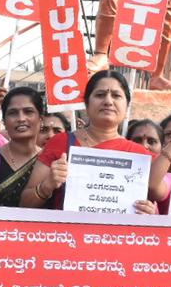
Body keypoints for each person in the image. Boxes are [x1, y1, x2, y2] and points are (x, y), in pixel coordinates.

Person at [22, 70, 156, 213]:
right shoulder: (61, 142)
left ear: (127, 106)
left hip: (118, 235)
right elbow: (25, 204)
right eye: (100, 95)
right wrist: (47, 185)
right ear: (86, 104)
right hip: (67, 232)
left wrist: (150, 214)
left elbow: (161, 205)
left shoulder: (140, 156)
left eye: (116, 95)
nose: (108, 101)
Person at [0, 87, 43, 207]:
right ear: (4, 121)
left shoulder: (50, 160)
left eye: (28, 111)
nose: (21, 119)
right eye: (13, 113)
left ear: (41, 119)